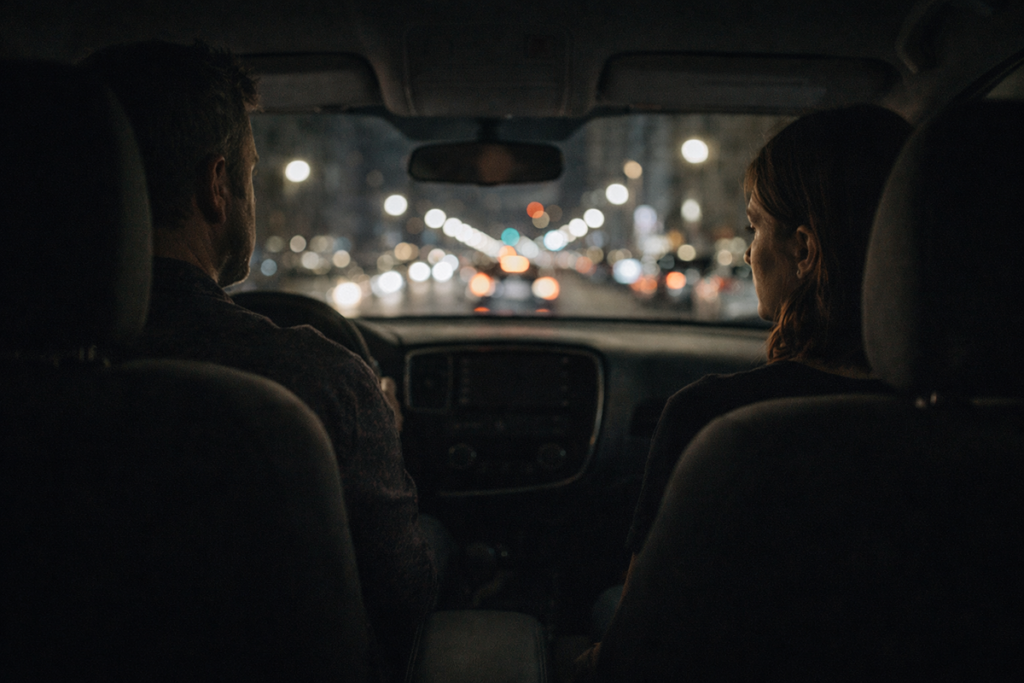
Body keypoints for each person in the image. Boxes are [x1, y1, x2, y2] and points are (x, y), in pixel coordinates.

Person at [82, 40, 436, 674]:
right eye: (249, 171)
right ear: (217, 186)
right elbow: (401, 604)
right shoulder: (315, 382)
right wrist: (377, 428)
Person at [573, 104, 913, 680]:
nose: (751, 251)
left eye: (754, 228)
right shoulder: (990, 420)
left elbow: (635, 646)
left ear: (804, 250)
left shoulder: (722, 422)